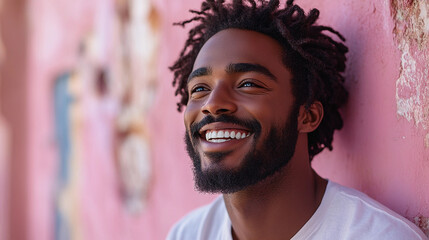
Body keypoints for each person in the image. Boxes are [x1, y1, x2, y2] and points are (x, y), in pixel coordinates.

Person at [167, 0, 427, 239]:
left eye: (248, 84)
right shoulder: (188, 234)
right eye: (200, 89)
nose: (212, 104)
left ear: (308, 116)